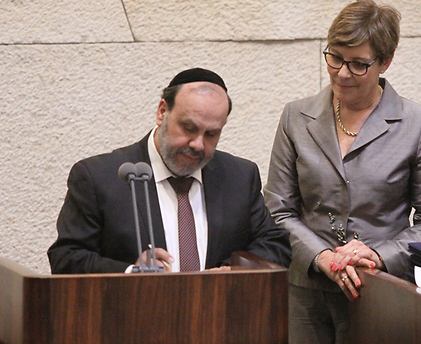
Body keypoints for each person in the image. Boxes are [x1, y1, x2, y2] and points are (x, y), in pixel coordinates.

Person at [263, 0, 421, 343]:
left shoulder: (416, 123)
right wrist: (320, 256)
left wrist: (380, 256)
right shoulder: (296, 116)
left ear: (386, 62)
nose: (342, 73)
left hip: (382, 292)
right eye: (334, 57)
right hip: (306, 293)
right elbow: (278, 209)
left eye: (358, 65)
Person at [48, 67, 291, 274]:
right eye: (188, 128)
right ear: (162, 112)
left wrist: (231, 272)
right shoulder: (99, 176)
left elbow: (274, 245)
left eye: (211, 134)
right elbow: (67, 258)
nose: (197, 144)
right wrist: (131, 273)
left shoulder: (239, 176)